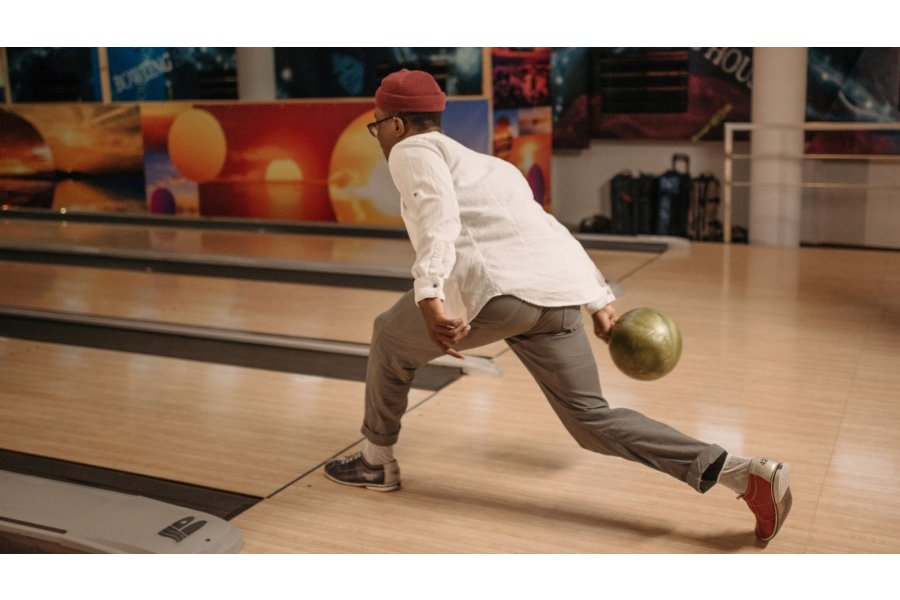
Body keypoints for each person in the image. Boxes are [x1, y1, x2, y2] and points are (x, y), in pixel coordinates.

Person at [324, 69, 792, 542]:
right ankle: (742, 473)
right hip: (557, 300)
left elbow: (436, 216)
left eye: (378, 126)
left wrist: (429, 293)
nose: (380, 137)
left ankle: (375, 462)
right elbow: (550, 230)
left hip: (499, 294)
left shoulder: (412, 150)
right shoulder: (495, 168)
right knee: (592, 420)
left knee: (389, 335)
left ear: (397, 124)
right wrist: (598, 298)